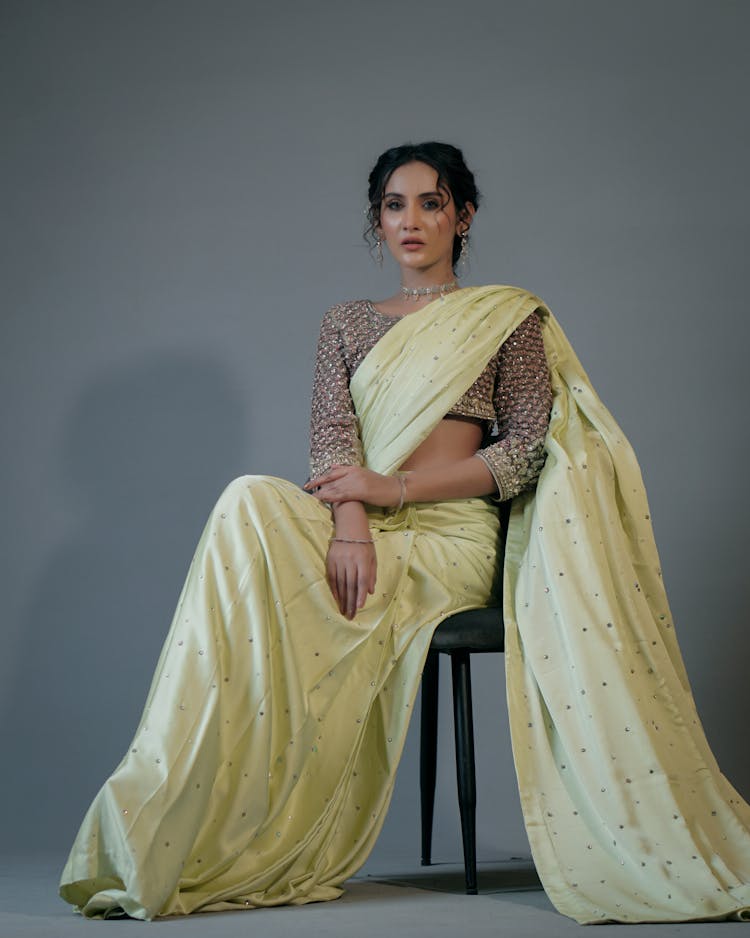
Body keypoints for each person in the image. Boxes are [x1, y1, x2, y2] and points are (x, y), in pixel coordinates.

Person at [59, 143, 750, 925]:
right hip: (360, 525)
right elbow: (331, 445)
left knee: (290, 531)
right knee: (246, 500)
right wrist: (352, 522)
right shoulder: (346, 323)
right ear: (377, 221)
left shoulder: (507, 319)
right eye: (394, 204)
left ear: (464, 216)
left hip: (452, 539)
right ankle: (176, 804)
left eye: (431, 202)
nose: (412, 220)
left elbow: (523, 451)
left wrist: (396, 489)